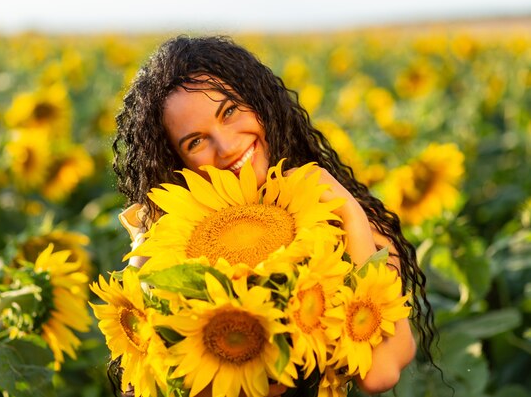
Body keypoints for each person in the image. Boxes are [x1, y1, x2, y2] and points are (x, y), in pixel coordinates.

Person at [112, 35, 436, 396]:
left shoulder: (337, 218)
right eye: (196, 141)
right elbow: (140, 387)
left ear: (260, 102)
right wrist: (141, 266)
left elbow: (380, 374)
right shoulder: (174, 244)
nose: (228, 145)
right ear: (177, 159)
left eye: (230, 111)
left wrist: (351, 213)